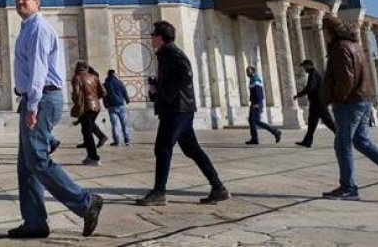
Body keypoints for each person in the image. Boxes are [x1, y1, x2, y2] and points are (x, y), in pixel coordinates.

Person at [8, 0, 102, 239]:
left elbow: (38, 70)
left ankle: (85, 202)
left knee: (37, 160)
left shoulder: (38, 28)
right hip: (33, 97)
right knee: (26, 165)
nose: (20, 2)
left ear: (38, 3)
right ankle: (34, 222)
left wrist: (32, 106)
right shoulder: (27, 27)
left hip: (42, 97)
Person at [320, 15, 378, 201]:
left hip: (349, 103)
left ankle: (348, 188)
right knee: (362, 142)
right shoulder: (354, 45)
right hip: (362, 100)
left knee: (342, 144)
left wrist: (337, 97)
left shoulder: (340, 48)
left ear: (329, 32)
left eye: (324, 32)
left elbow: (346, 79)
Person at [136, 20, 228, 206]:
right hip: (180, 108)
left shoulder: (172, 52)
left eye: (153, 35)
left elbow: (185, 75)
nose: (151, 38)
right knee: (191, 149)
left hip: (176, 109)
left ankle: (159, 192)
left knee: (163, 148)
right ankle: (218, 187)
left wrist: (166, 96)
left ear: (160, 37)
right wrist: (158, 88)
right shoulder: (166, 53)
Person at [294, 59, 336, 148]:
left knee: (328, 122)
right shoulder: (313, 74)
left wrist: (301, 94)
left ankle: (343, 138)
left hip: (319, 103)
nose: (304, 69)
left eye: (304, 67)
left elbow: (310, 88)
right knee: (312, 123)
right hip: (316, 103)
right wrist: (299, 94)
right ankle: (307, 141)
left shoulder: (313, 74)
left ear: (309, 65)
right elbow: (309, 88)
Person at [70, 60, 104, 166]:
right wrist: (94, 99)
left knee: (87, 133)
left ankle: (93, 157)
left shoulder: (77, 77)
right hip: (96, 107)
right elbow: (103, 92)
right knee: (88, 130)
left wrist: (76, 100)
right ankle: (92, 154)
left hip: (85, 108)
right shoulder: (94, 77)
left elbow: (76, 94)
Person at [245, 66, 281, 145]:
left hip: (256, 103)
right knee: (253, 120)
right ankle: (255, 138)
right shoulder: (252, 79)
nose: (247, 72)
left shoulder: (255, 79)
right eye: (246, 71)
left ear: (253, 71)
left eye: (248, 71)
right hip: (254, 102)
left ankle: (275, 132)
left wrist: (257, 103)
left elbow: (258, 92)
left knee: (255, 121)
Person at [103, 69, 131, 146]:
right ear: (114, 74)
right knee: (124, 123)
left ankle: (117, 141)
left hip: (111, 106)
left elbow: (104, 96)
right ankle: (127, 140)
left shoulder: (105, 84)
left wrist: (106, 104)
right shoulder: (119, 82)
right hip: (121, 105)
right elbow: (124, 92)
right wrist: (127, 99)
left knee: (115, 125)